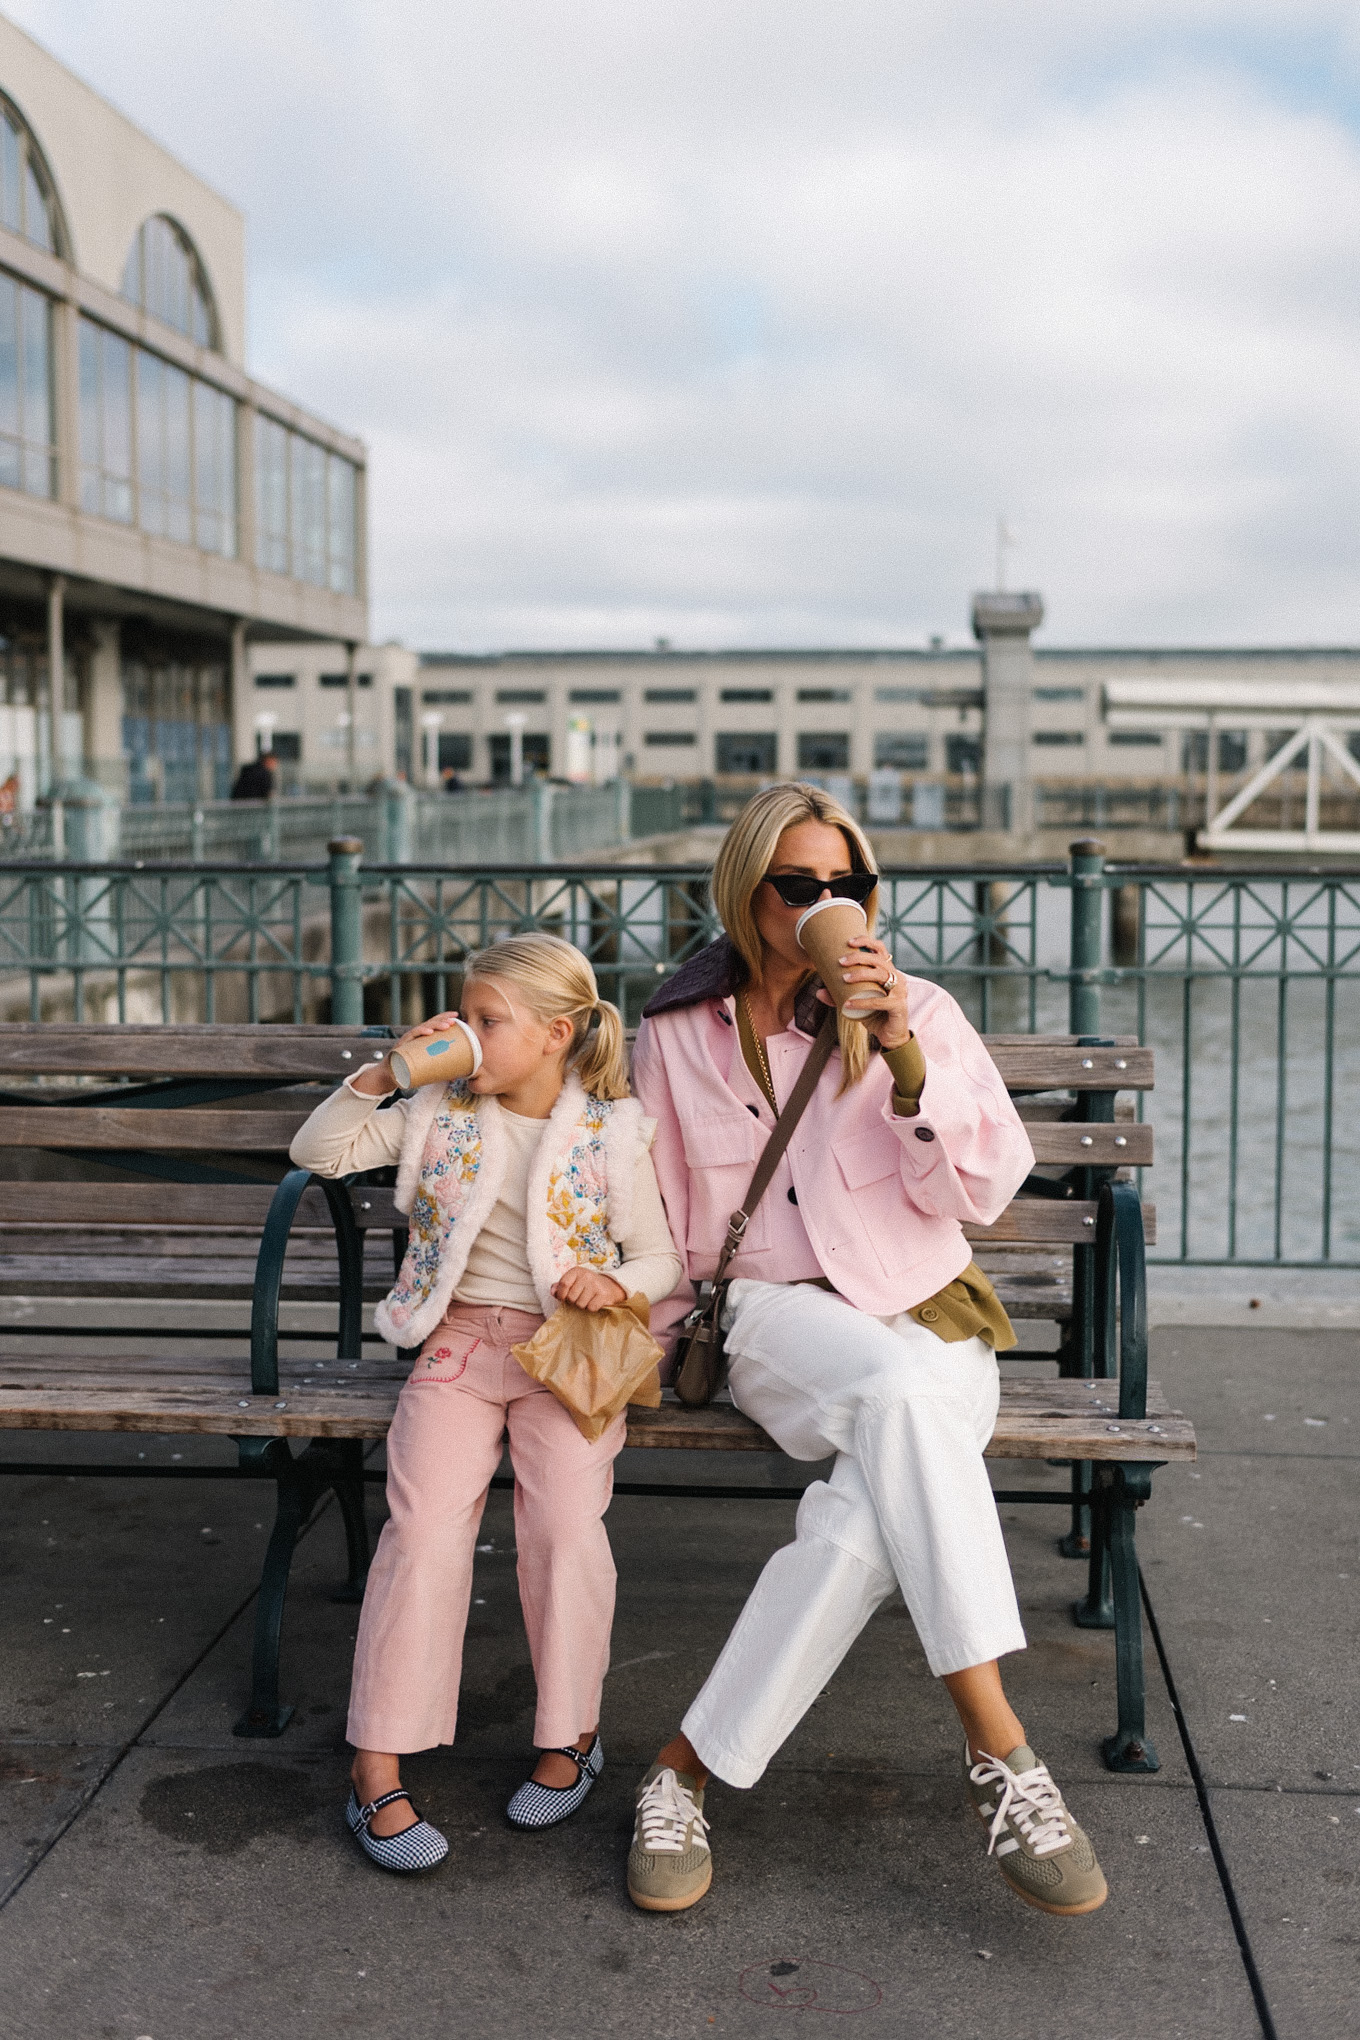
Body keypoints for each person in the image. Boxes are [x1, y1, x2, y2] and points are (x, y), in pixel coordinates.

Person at [624, 781, 1109, 1918]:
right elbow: (647, 1205)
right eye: (801, 886)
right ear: (747, 895)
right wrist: (641, 1350)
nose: (827, 904)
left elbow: (983, 1190)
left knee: (867, 1506)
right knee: (898, 1401)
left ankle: (682, 1770)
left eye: (849, 887)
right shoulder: (674, 1031)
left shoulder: (920, 1012)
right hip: (772, 1313)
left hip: (928, 1308)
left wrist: (903, 1063)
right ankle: (999, 1745)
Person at [290, 933, 682, 1874]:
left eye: (487, 1021)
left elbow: (663, 1257)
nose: (467, 1032)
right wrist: (383, 1073)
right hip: (460, 1345)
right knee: (422, 1529)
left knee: (564, 1526)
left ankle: (570, 1735)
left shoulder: (611, 1130)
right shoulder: (438, 1111)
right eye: (464, 1013)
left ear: (556, 1034)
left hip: (564, 1356)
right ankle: (376, 1760)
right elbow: (320, 1151)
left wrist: (614, 1285)